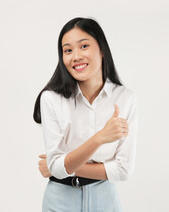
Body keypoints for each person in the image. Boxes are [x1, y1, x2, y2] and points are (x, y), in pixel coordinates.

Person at [33, 17, 138, 211]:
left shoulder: (125, 98)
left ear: (102, 49)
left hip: (105, 199)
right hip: (60, 200)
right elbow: (57, 168)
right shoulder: (51, 99)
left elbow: (123, 171)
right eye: (68, 50)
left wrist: (63, 166)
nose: (76, 56)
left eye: (84, 46)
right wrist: (100, 138)